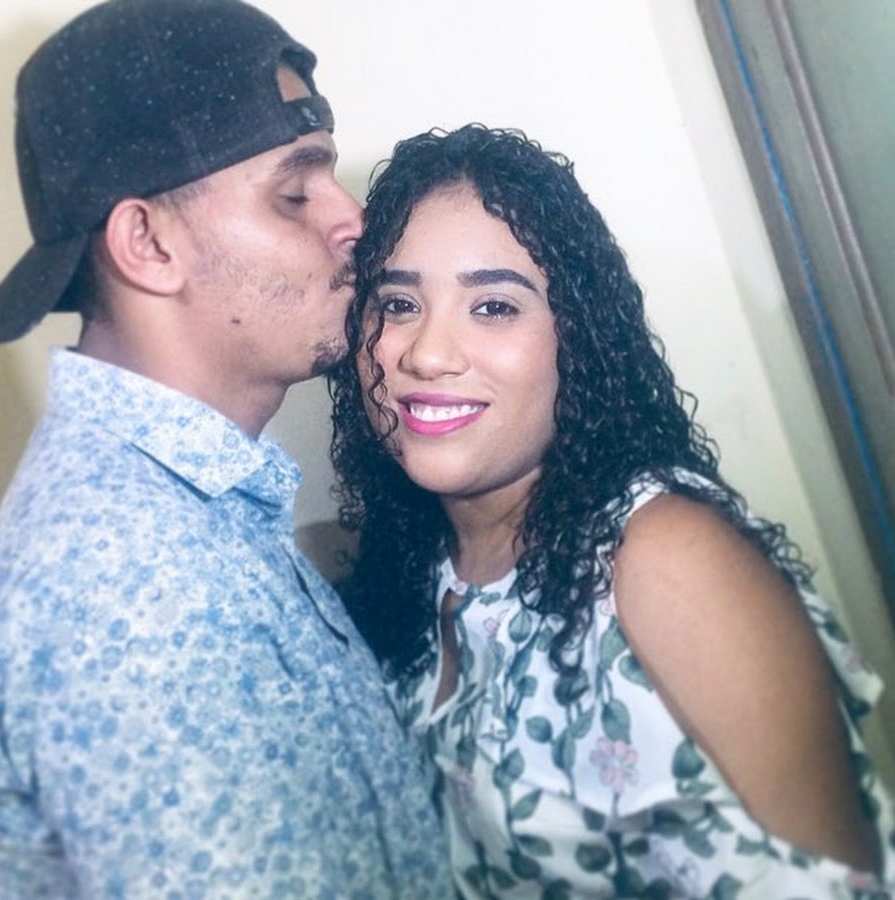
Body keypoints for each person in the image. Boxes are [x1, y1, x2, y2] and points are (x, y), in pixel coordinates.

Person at [329, 123, 895, 898]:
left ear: (580, 339)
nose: (426, 353)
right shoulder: (409, 570)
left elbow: (846, 882)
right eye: (398, 303)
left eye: (493, 306)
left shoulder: (663, 555)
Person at [0, 2, 453, 897]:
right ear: (148, 244)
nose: (354, 219)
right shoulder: (130, 588)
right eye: (295, 193)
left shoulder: (180, 511)